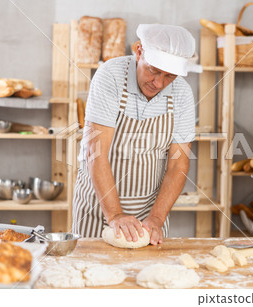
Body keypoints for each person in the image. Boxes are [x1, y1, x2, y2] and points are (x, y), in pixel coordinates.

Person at [72, 24, 197, 245]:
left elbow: (178, 164)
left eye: (169, 76)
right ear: (139, 51)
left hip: (150, 214)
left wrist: (157, 218)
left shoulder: (182, 93)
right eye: (153, 70)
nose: (159, 83)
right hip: (98, 209)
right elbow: (96, 152)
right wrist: (115, 215)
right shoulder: (110, 76)